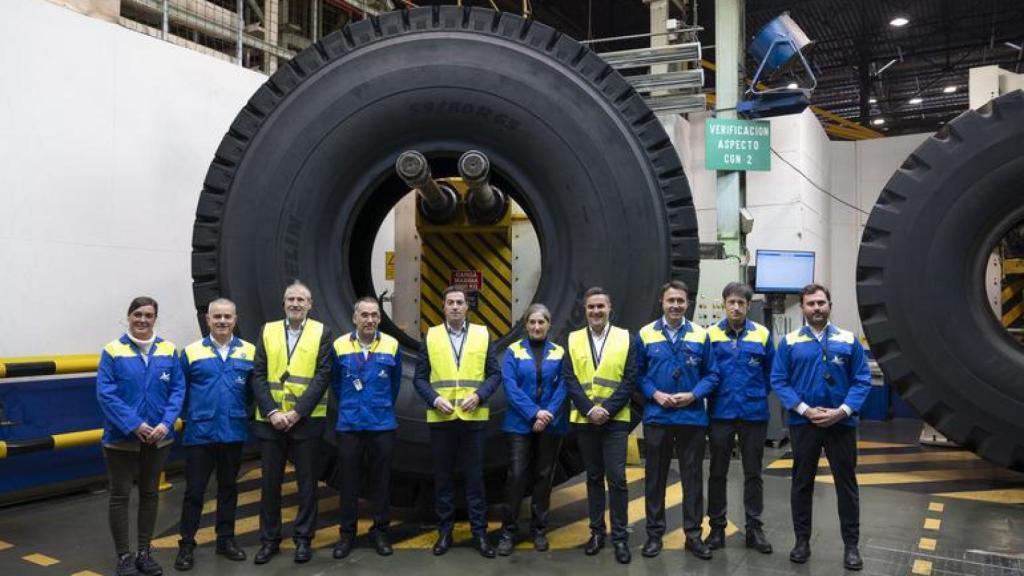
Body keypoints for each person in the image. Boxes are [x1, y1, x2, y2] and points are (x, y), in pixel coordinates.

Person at [771, 283, 872, 571]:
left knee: (847, 486)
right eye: (811, 304)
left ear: (829, 305)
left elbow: (862, 380)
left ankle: (851, 547)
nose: (816, 308)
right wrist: (804, 409)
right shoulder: (789, 342)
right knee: (802, 484)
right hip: (804, 424)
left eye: (821, 303)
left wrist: (842, 411)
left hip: (841, 424)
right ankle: (801, 541)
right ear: (802, 307)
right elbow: (779, 380)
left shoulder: (848, 340)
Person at [96, 296, 185, 576]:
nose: (143, 320)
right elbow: (105, 394)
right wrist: (134, 424)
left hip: (159, 437)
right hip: (121, 439)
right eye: (137, 315)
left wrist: (166, 423)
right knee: (120, 495)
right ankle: (124, 556)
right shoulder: (112, 351)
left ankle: (144, 553)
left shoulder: (169, 350)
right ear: (129, 317)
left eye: (148, 315)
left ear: (155, 318)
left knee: (149, 494)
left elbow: (178, 390)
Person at [413, 286, 501, 559]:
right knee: (443, 479)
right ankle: (445, 533)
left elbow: (494, 375)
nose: (454, 307)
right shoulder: (431, 336)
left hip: (473, 419)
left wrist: (479, 395)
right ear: (443, 306)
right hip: (441, 419)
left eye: (459, 302)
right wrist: (434, 399)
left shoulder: (482, 335)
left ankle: (480, 534)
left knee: (475, 479)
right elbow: (419, 378)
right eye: (450, 302)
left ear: (467, 307)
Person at [250, 281, 333, 565]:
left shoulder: (322, 332)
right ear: (283, 303)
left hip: (306, 421)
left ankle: (303, 539)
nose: (296, 304)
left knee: (307, 484)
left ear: (310, 304)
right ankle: (269, 540)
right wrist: (273, 411)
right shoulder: (268, 330)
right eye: (291, 299)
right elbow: (258, 374)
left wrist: (297, 412)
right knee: (269, 484)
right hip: (271, 422)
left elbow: (323, 376)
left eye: (301, 299)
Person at [636, 280, 718, 561]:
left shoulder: (700, 334)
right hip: (657, 416)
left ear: (687, 303)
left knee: (692, 478)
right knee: (654, 478)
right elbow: (638, 374)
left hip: (691, 417)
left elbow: (712, 375)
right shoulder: (646, 334)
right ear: (662, 302)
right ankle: (654, 535)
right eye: (671, 300)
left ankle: (693, 536)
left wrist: (694, 395)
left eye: (680, 301)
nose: (675, 305)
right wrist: (655, 394)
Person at [173, 298, 254, 571]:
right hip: (201, 433)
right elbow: (179, 391)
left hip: (233, 432)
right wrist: (194, 414)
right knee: (194, 491)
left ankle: (226, 539)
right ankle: (186, 544)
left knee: (228, 488)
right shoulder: (192, 352)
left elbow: (254, 393)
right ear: (207, 320)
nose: (222, 321)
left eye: (227, 317)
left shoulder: (249, 352)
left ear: (235, 319)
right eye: (216, 317)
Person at [564, 287, 638, 564]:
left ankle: (620, 538)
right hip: (585, 421)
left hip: (615, 421)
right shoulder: (572, 339)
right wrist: (588, 409)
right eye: (591, 307)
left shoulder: (625, 338)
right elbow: (569, 378)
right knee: (593, 478)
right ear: (585, 311)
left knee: (617, 479)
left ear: (610, 309)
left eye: (600, 307)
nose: (596, 311)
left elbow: (630, 379)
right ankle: (597, 532)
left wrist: (606, 409)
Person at [704, 282, 774, 554]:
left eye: (741, 303)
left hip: (753, 415)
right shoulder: (710, 335)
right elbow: (705, 371)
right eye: (731, 302)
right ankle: (717, 529)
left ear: (748, 305)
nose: (735, 307)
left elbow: (771, 373)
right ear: (724, 304)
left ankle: (754, 530)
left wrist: (754, 394)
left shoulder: (762, 335)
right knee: (717, 472)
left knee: (753, 474)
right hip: (720, 414)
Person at [330, 297, 402, 559]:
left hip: (381, 425)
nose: (369, 320)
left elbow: (395, 385)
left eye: (374, 315)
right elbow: (336, 384)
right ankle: (346, 535)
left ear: (380, 319)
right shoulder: (339, 346)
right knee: (348, 482)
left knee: (380, 482)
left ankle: (380, 532)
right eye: (364, 315)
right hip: (349, 425)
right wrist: (352, 406)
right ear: (355, 318)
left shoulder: (392, 345)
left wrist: (379, 407)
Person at [496, 303, 568, 556]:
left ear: (549, 325)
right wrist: (534, 413)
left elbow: (564, 386)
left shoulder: (559, 352)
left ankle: (539, 530)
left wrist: (546, 414)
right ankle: (508, 531)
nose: (537, 327)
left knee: (543, 476)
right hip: (519, 423)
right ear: (525, 325)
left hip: (551, 423)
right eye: (532, 322)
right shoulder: (513, 352)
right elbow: (510, 387)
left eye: (541, 322)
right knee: (516, 476)